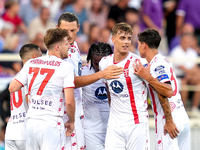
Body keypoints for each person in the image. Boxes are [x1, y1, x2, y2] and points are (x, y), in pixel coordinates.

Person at [57, 12, 123, 150]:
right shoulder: (58, 52)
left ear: (78, 28)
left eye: (72, 30)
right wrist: (101, 74)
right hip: (64, 113)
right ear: (57, 28)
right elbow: (71, 82)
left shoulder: (74, 47)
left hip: (78, 113)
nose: (69, 34)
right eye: (65, 30)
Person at [9, 28, 76, 150]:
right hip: (51, 123)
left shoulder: (31, 63)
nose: (69, 47)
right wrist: (71, 121)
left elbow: (12, 87)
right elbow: (70, 102)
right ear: (57, 47)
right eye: (66, 44)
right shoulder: (66, 67)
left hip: (31, 123)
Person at [134, 29, 190, 150]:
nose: (137, 48)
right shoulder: (163, 60)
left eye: (138, 44)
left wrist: (148, 77)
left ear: (144, 45)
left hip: (170, 122)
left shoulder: (156, 65)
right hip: (182, 118)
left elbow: (167, 91)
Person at [99, 22, 149, 150]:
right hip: (114, 125)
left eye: (129, 38)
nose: (126, 42)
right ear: (113, 39)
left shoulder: (139, 63)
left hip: (136, 123)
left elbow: (154, 88)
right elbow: (109, 92)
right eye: (122, 38)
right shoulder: (104, 63)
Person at [5, 44, 42, 150]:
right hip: (25, 132)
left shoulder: (16, 77)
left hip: (11, 131)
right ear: (35, 57)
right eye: (41, 57)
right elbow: (29, 102)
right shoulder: (30, 77)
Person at [82, 42, 113, 150]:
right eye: (96, 63)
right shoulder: (82, 74)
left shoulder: (117, 73)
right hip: (90, 132)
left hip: (113, 130)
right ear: (90, 58)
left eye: (103, 63)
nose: (100, 67)